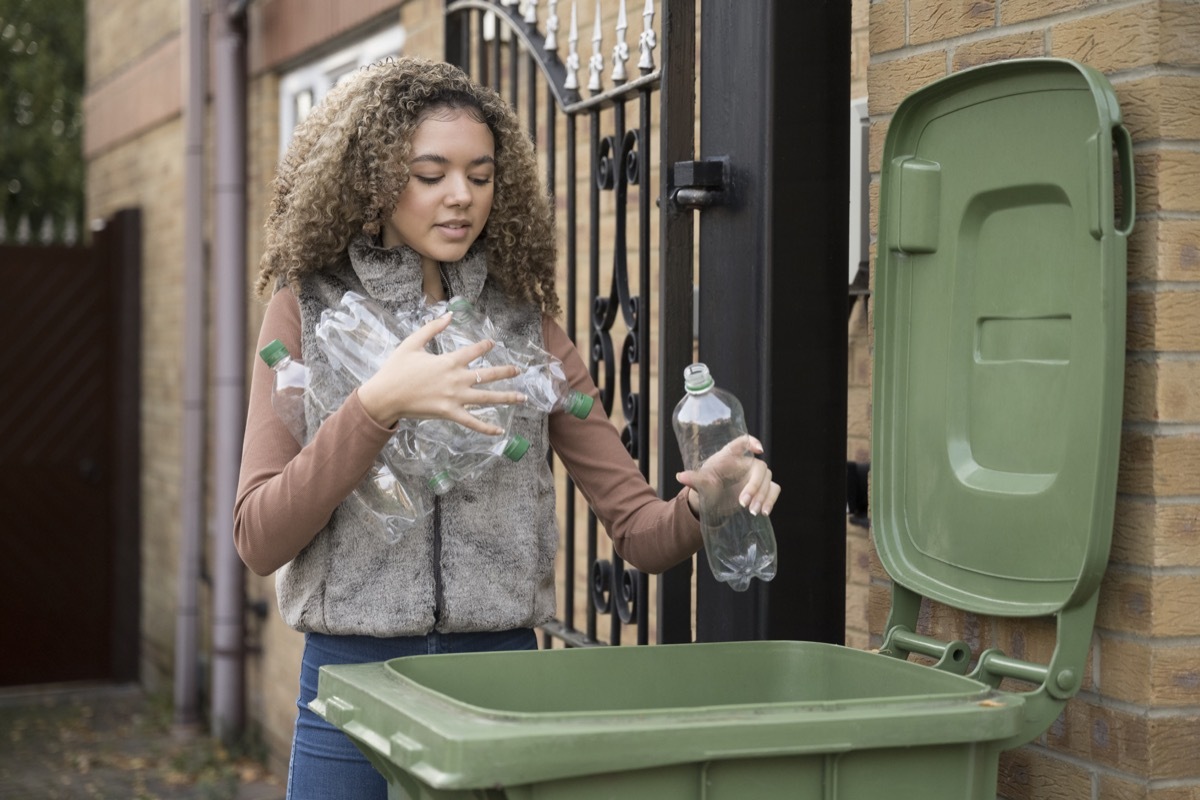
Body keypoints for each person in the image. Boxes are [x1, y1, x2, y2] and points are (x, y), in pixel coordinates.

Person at [233, 56, 781, 800]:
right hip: (348, 684)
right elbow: (259, 538)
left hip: (497, 686)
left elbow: (642, 534)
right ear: (372, 179)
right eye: (431, 175)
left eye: (481, 175)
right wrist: (375, 407)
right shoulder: (306, 311)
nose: (461, 197)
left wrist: (705, 504)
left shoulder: (528, 327)